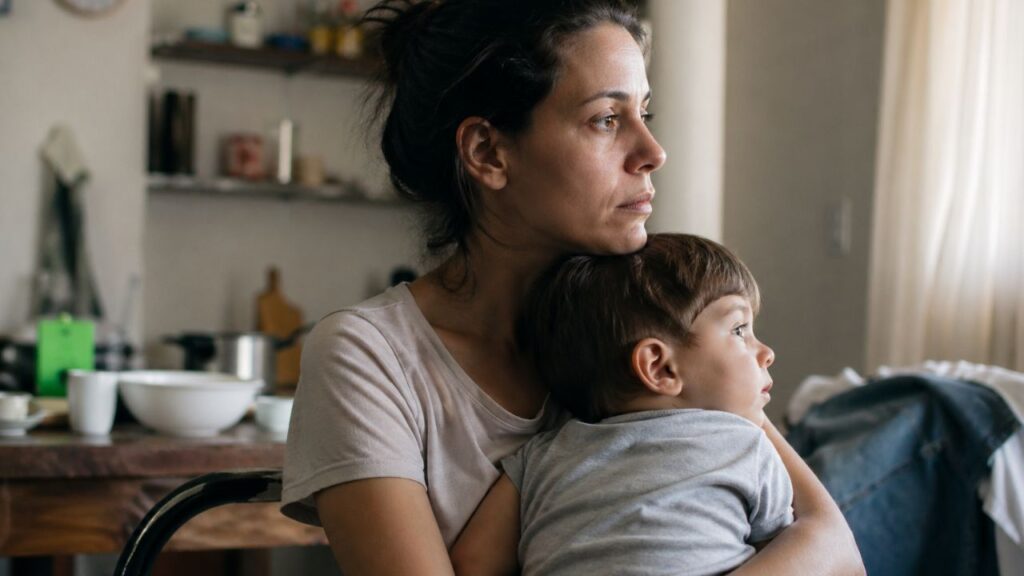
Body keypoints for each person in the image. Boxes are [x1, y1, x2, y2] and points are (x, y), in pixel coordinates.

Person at [281, 1, 864, 574]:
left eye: (645, 114)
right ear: (488, 152)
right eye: (607, 119)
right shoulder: (369, 357)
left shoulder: (652, 319)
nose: (653, 153)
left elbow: (834, 549)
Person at [451, 233, 794, 576]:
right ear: (659, 367)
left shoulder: (538, 458)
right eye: (739, 330)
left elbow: (473, 561)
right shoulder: (745, 444)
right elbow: (798, 551)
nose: (766, 353)